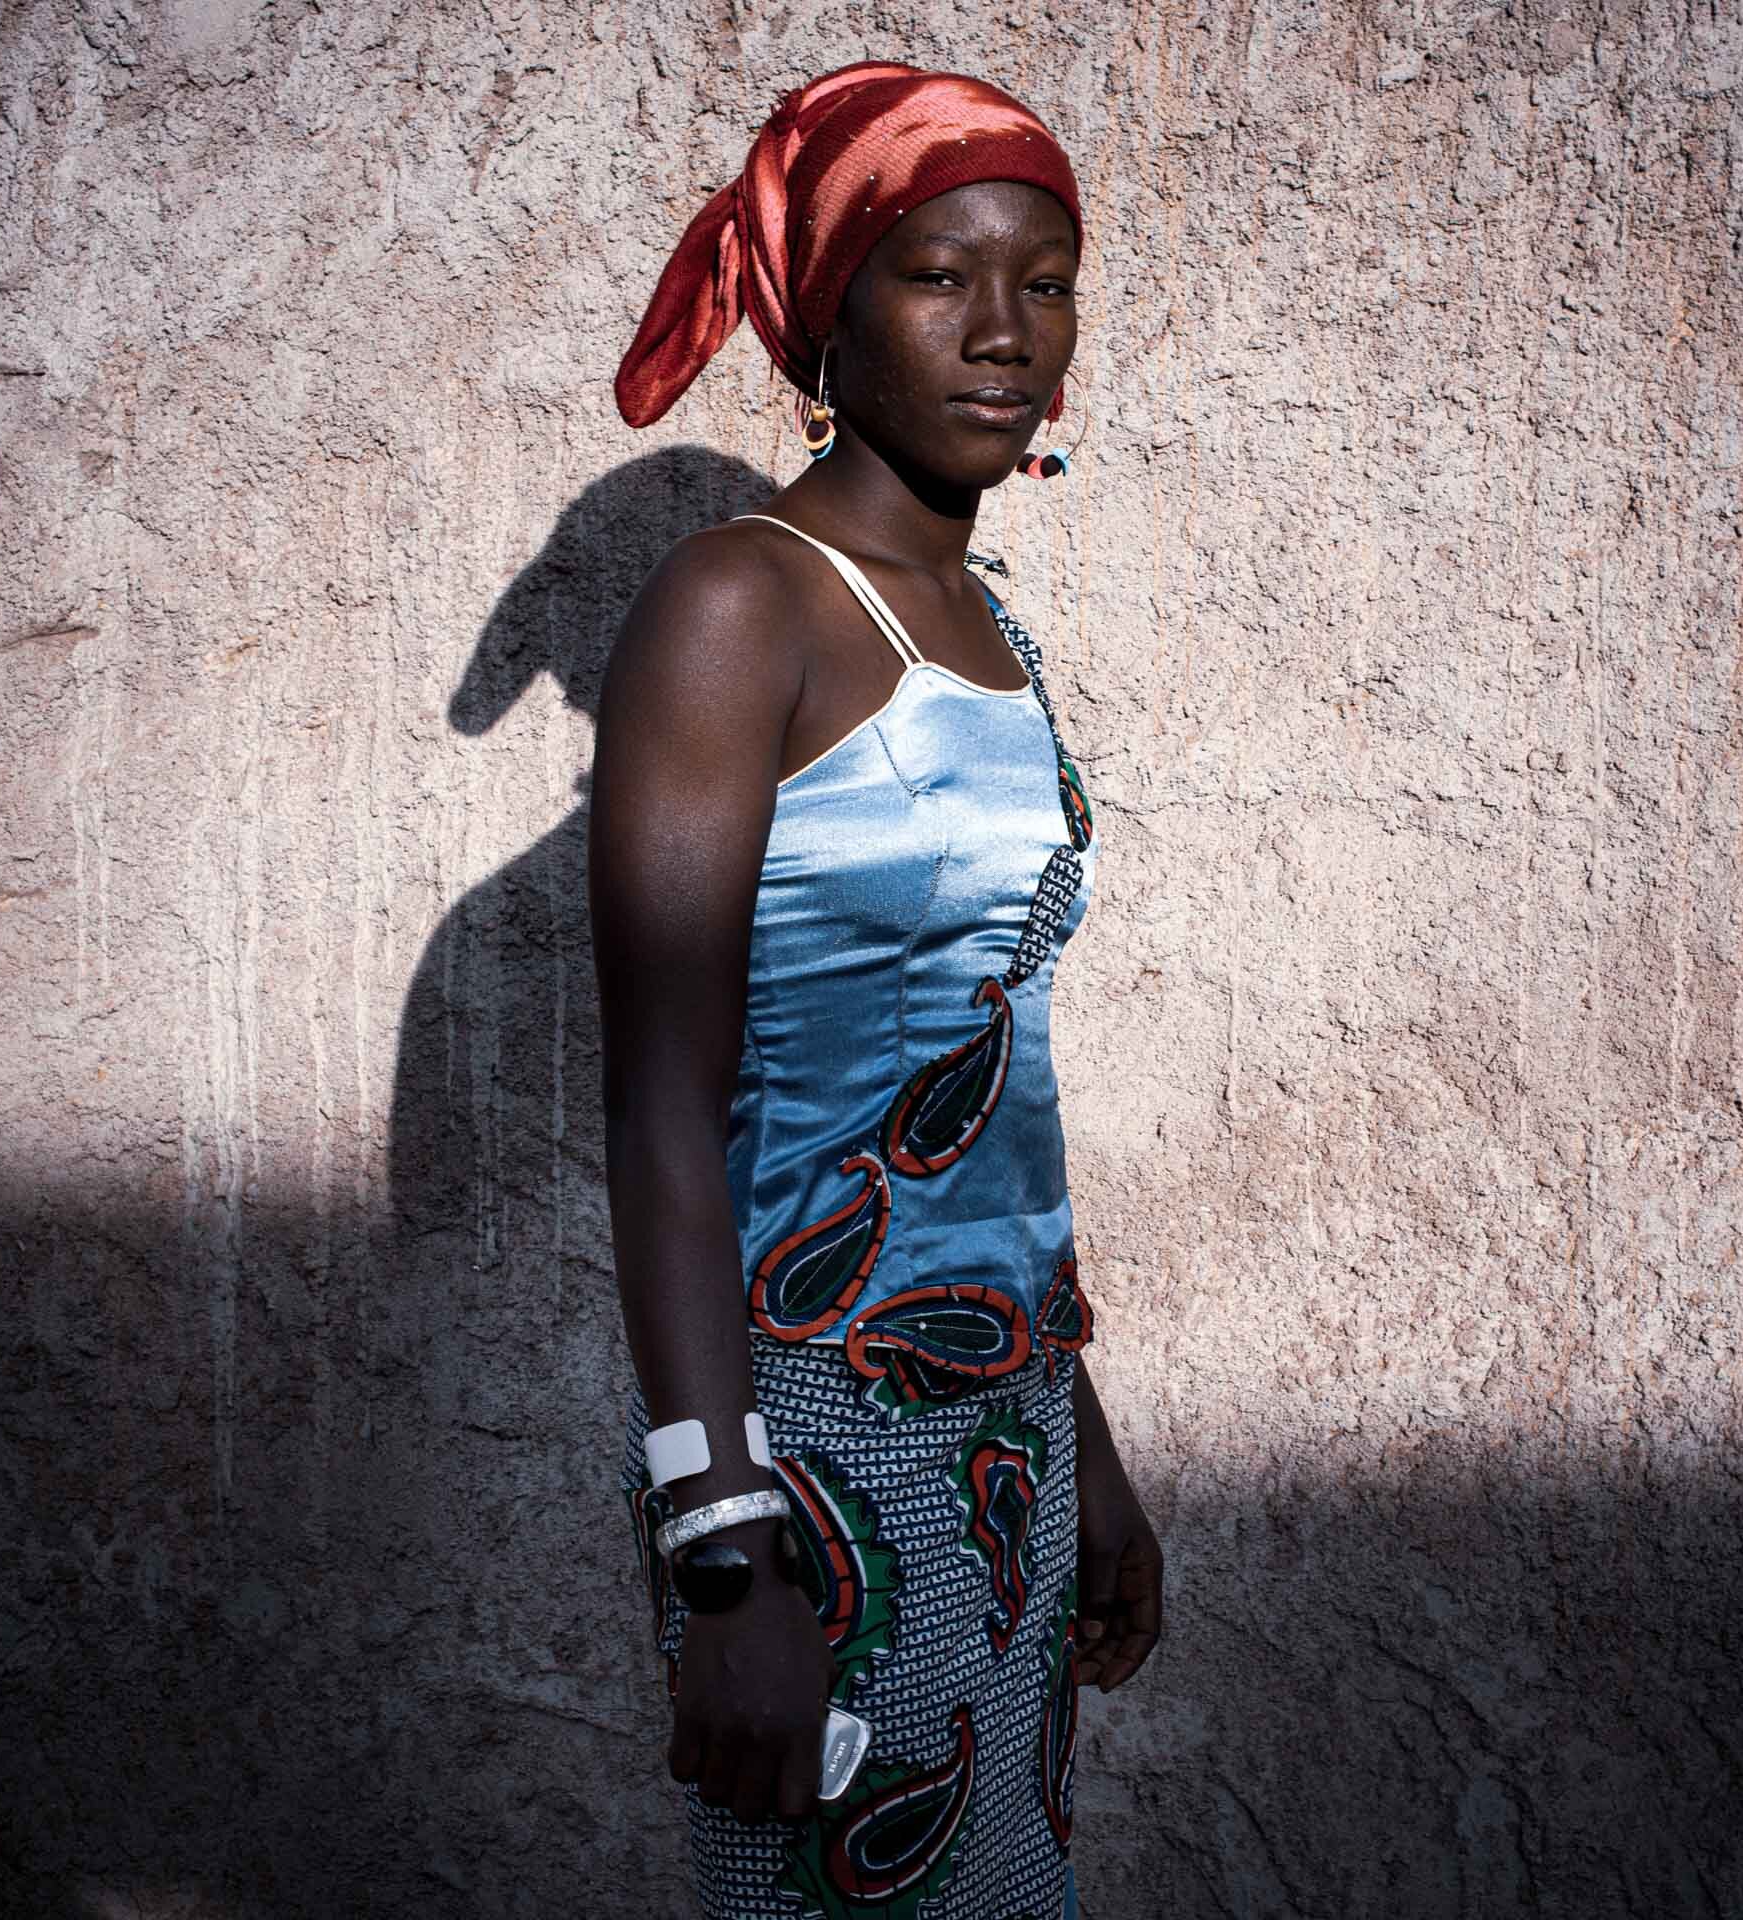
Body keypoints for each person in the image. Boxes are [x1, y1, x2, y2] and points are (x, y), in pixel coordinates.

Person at [590, 61, 1163, 1920]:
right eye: (939, 275)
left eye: (1048, 278)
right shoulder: (741, 608)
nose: (1006, 333)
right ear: (833, 308)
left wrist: (1084, 1456)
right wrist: (725, 1561)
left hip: (995, 1434)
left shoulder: (990, 630)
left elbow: (986, 1098)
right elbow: (663, 1115)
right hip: (806, 1449)